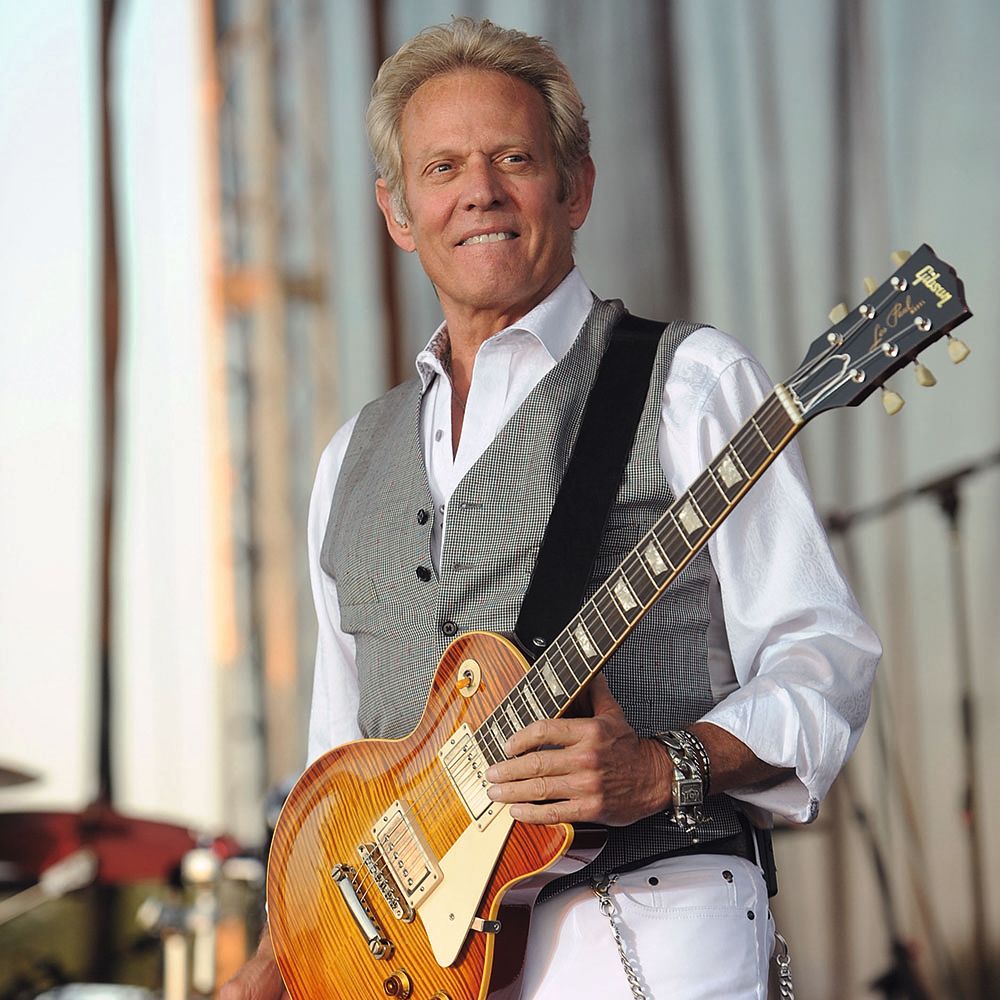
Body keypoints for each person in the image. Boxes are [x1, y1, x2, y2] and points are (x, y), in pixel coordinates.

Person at [222, 17, 880, 1000]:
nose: (477, 191)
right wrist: (276, 967)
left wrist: (665, 768)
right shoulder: (347, 460)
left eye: (513, 159)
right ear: (398, 213)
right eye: (440, 168)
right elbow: (338, 770)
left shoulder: (690, 382)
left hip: (655, 933)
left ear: (575, 187)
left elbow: (823, 657)